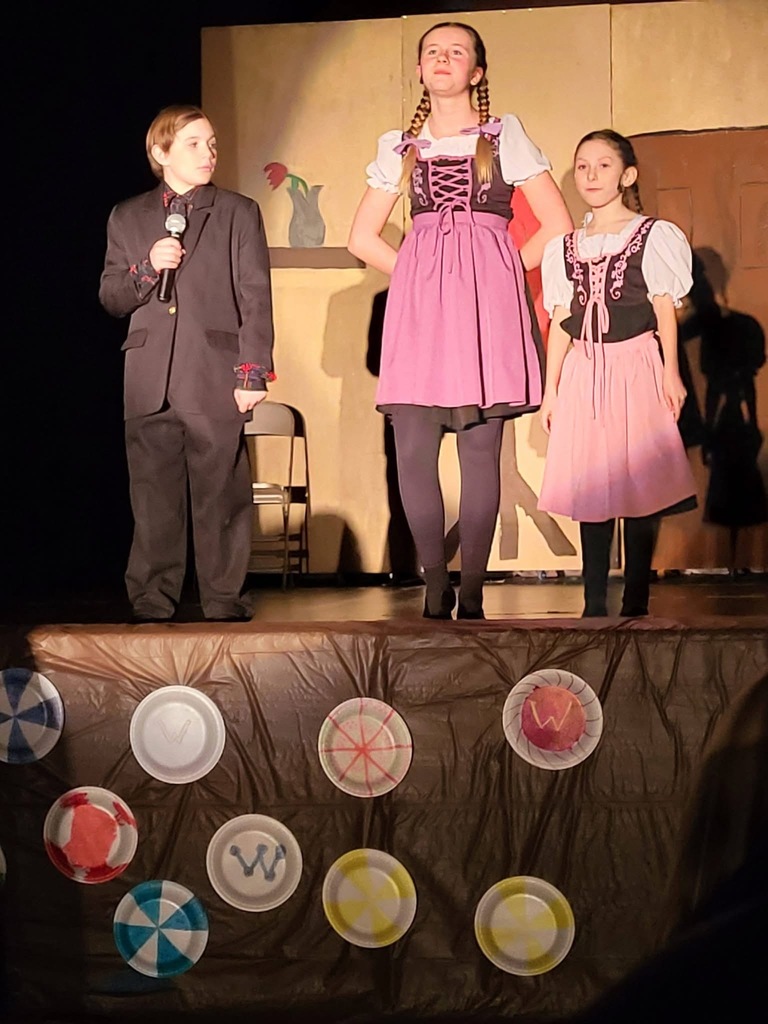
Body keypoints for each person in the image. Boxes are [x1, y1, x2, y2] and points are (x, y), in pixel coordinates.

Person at [348, 21, 572, 620]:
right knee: (414, 450)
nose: (442, 59)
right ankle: (433, 583)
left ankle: (471, 588)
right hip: (422, 317)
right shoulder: (400, 146)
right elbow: (361, 237)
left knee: (480, 453)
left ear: (476, 72)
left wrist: (498, 273)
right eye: (432, 52)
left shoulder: (505, 136)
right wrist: (420, 278)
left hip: (485, 313)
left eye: (457, 52)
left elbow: (557, 224)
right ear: (420, 70)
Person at [99, 105, 274, 622]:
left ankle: (223, 598)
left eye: (212, 143)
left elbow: (255, 296)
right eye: (194, 143)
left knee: (221, 494)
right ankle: (152, 601)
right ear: (161, 153)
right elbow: (111, 296)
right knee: (153, 500)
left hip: (214, 371)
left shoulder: (238, 211)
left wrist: (252, 372)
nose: (208, 153)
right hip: (149, 376)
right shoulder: (127, 216)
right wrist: (147, 268)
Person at [537, 130, 696, 617]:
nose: (591, 175)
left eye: (603, 165)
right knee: (592, 482)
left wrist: (671, 373)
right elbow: (561, 320)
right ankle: (592, 601)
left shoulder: (653, 235)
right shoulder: (563, 247)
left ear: (627, 175)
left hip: (636, 362)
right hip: (586, 368)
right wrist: (551, 390)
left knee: (639, 480)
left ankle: (637, 598)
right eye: (583, 166)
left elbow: (664, 307)